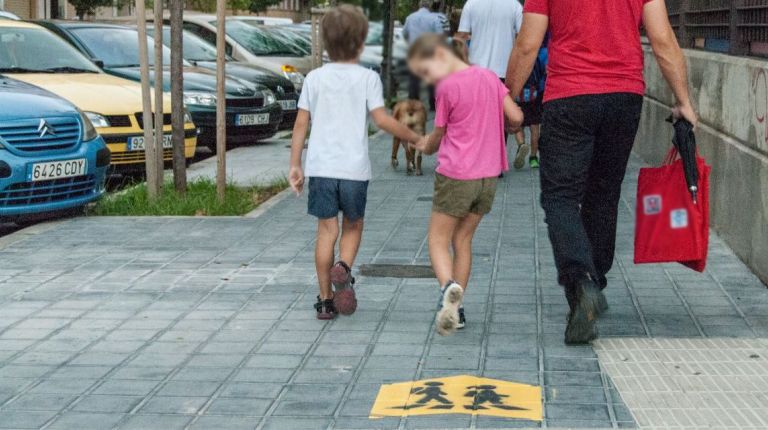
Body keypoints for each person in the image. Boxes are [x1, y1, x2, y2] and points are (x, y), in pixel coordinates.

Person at [506, 0, 697, 344]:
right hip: (624, 96)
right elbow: (663, 39)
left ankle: (581, 281)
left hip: (570, 96)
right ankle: (594, 282)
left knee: (560, 197)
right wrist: (683, 100)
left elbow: (527, 43)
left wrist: (509, 99)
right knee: (604, 194)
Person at [288, 5, 422, 320]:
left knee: (326, 232)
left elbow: (300, 125)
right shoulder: (367, 78)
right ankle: (344, 268)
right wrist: (415, 138)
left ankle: (324, 301)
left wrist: (296, 163)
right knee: (353, 224)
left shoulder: (314, 78)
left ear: (325, 43)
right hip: (353, 170)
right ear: (361, 43)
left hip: (321, 169)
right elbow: (382, 120)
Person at [408, 34, 523, 335]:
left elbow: (439, 133)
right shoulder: (489, 77)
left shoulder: (447, 87)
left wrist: (426, 146)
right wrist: (503, 128)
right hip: (488, 177)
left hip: (457, 174)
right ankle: (455, 311)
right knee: (463, 241)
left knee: (437, 239)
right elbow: (517, 116)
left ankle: (448, 288)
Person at [456, 0, 526, 168]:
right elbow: (523, 38)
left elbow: (461, 38)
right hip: (504, 70)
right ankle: (497, 162)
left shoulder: (471, 4)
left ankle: (478, 158)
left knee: (477, 116)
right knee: (501, 118)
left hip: (476, 70)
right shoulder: (514, 5)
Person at [513, 33, 548, 169]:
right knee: (535, 127)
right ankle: (533, 158)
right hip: (535, 94)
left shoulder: (516, 53)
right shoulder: (539, 54)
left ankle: (521, 144)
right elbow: (544, 73)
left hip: (518, 93)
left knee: (517, 123)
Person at [403, 0, 445, 108]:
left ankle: (413, 102)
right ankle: (433, 104)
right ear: (430, 6)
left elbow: (405, 33)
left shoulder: (410, 17)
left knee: (414, 79)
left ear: (419, 5)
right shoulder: (434, 18)